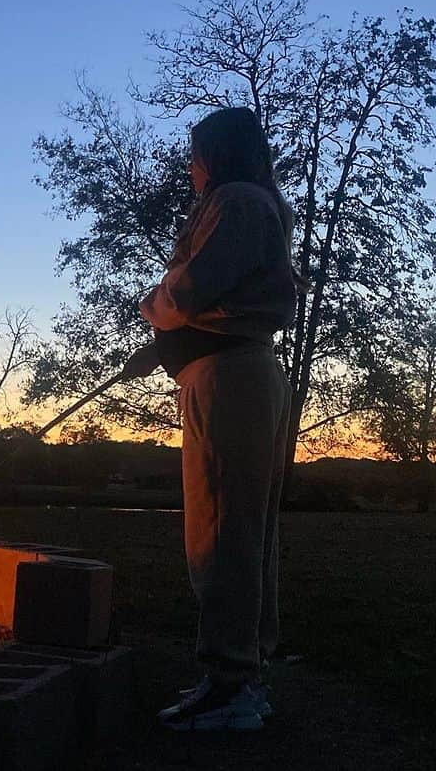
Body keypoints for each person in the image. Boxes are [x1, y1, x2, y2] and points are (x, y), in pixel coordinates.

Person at [122, 106, 300, 731]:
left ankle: (230, 686)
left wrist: (153, 308)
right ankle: (242, 672)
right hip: (231, 372)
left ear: (218, 156)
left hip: (229, 381)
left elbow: (189, 292)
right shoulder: (253, 205)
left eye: (197, 155)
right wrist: (168, 344)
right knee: (243, 530)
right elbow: (220, 299)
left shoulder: (237, 203)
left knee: (222, 529)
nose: (191, 168)